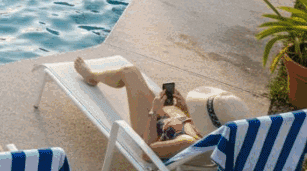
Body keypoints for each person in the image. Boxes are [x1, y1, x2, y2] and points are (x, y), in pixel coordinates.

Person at [73, 57, 250, 160]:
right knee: (135, 77)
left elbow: (148, 153)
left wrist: (153, 112)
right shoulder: (215, 138)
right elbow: (194, 130)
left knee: (129, 72)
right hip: (168, 118)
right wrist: (185, 111)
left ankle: (92, 76)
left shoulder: (186, 143)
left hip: (149, 127)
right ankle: (94, 76)